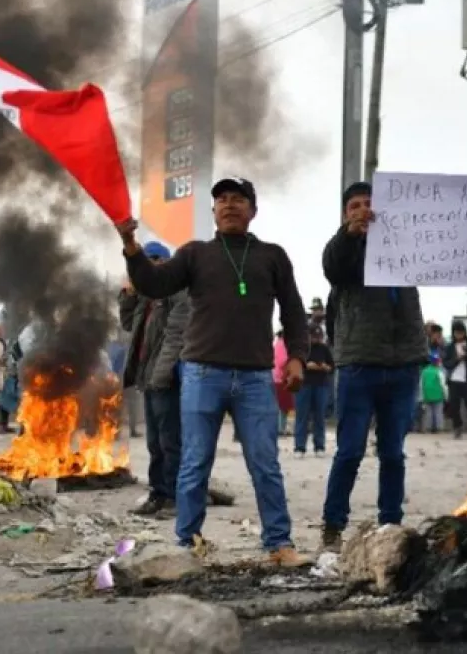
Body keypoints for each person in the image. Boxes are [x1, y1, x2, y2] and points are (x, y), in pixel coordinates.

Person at [117, 176, 311, 566]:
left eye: (238, 199)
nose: (229, 205)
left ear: (252, 211)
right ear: (214, 212)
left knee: (265, 463)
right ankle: (187, 544)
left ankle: (279, 544)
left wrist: (297, 357)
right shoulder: (195, 254)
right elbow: (154, 283)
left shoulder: (272, 256)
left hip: (256, 376)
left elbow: (292, 310)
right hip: (203, 374)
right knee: (194, 461)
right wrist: (131, 245)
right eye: (222, 200)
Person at [319, 181, 467, 548]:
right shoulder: (345, 253)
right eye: (354, 206)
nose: (363, 210)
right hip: (359, 364)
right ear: (345, 215)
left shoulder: (411, 245)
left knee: (393, 452)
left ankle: (390, 525)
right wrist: (349, 235)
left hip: (404, 365)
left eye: (369, 204)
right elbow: (332, 265)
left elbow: (454, 242)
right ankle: (332, 527)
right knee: (350, 451)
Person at [118, 240, 191, 517]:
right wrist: (129, 296)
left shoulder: (178, 293)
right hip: (148, 379)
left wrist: (161, 375)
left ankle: (174, 496)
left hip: (167, 378)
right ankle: (158, 494)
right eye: (147, 260)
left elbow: (176, 337)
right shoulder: (146, 297)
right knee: (154, 442)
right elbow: (128, 326)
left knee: (170, 440)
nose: (151, 265)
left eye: (156, 259)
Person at [295, 327, 334, 457]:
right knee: (302, 416)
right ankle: (300, 447)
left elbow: (332, 367)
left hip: (321, 385)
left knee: (320, 417)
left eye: (319, 336)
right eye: (314, 336)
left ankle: (319, 446)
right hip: (304, 385)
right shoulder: (303, 349)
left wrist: (324, 367)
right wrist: (306, 365)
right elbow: (296, 364)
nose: (316, 339)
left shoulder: (324, 349)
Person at [419, 355, 447, 433]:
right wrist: (446, 395)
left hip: (427, 395)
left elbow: (421, 384)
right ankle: (438, 428)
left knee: (428, 413)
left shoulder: (424, 371)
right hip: (438, 394)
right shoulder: (439, 371)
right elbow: (443, 384)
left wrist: (421, 396)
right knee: (438, 412)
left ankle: (428, 428)